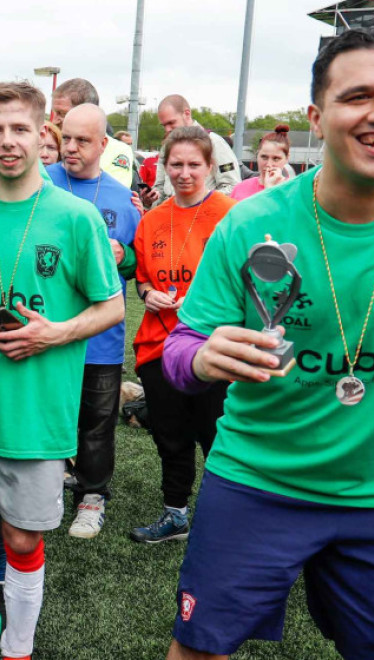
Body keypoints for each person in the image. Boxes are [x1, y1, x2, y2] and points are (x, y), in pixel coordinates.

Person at [161, 27, 374, 660]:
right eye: (359, 95)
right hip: (257, 478)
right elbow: (180, 351)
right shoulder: (253, 223)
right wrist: (202, 357)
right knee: (199, 650)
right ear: (316, 117)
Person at [0, 81, 123, 660]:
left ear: (44, 136)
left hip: (37, 412)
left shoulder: (76, 217)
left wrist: (53, 333)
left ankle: (17, 648)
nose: (7, 142)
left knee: (22, 538)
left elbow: (110, 305)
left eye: (19, 130)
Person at [128, 125, 235, 545]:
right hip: (159, 346)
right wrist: (150, 293)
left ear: (209, 166)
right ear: (164, 166)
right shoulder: (152, 219)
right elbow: (140, 279)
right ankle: (175, 515)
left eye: (194, 164)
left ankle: (222, 519)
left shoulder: (231, 213)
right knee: (171, 438)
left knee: (216, 437)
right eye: (177, 164)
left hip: (214, 347)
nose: (185, 172)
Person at [46, 103, 141, 539]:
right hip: (46, 332)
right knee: (47, 415)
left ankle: (92, 496)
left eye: (83, 140)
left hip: (101, 337)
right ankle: (47, 489)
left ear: (104, 145)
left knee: (97, 423)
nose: (71, 147)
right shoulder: (42, 184)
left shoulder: (122, 199)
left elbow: (139, 262)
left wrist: (126, 258)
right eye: (67, 137)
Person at [145, 94, 241, 206]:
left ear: (187, 114)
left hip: (205, 218)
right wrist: (150, 199)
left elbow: (233, 187)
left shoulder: (214, 143)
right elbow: (160, 188)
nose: (167, 129)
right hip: (172, 217)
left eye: (171, 123)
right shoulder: (166, 147)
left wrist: (198, 201)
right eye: (164, 125)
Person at [51, 78, 133, 187]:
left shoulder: (118, 151)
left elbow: (113, 194)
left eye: (62, 113)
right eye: (54, 112)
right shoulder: (50, 143)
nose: (54, 120)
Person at [230, 125, 293, 202]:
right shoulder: (240, 188)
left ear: (287, 158)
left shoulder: (293, 192)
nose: (269, 164)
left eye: (276, 159)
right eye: (264, 157)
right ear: (257, 155)